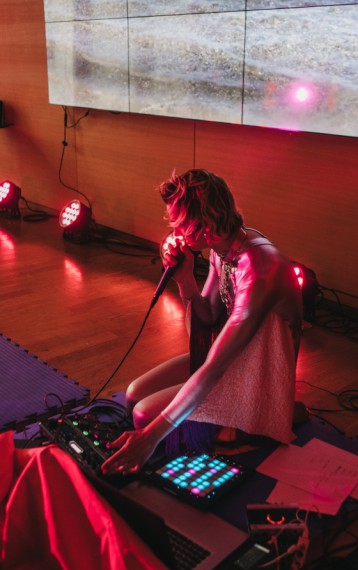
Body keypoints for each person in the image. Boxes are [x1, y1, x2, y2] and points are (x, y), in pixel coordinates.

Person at [102, 169, 303, 476]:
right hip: (232, 357)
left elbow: (215, 365)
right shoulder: (222, 249)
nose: (175, 232)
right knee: (133, 395)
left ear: (205, 228)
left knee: (144, 418)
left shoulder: (259, 265)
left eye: (180, 225)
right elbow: (206, 320)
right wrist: (185, 278)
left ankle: (261, 424)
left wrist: (151, 438)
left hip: (258, 377)